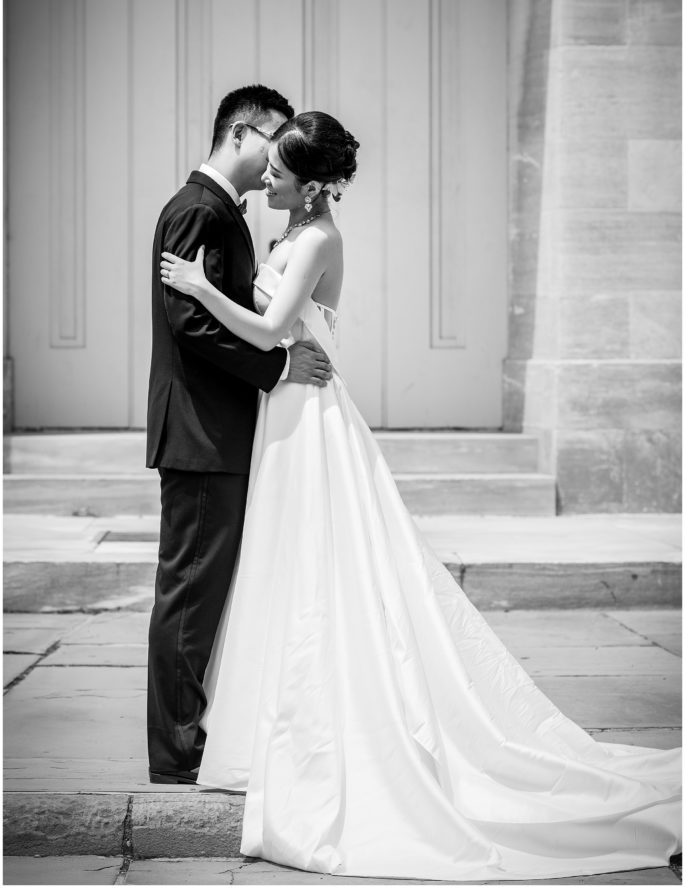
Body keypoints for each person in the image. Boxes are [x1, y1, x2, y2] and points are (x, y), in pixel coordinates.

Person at [159, 111, 681, 880]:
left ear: (312, 189)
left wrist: (201, 287)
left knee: (321, 571)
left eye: (279, 174)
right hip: (283, 414)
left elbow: (270, 332)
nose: (265, 180)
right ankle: (264, 731)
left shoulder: (317, 238)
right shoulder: (292, 228)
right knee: (281, 569)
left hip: (309, 416)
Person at [146, 86, 333, 785]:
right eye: (274, 138)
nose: (280, 155)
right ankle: (175, 755)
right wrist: (278, 366)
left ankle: (191, 737)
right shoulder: (199, 208)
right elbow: (189, 323)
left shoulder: (226, 211)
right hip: (201, 432)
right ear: (240, 133)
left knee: (206, 593)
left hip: (219, 431)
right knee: (191, 595)